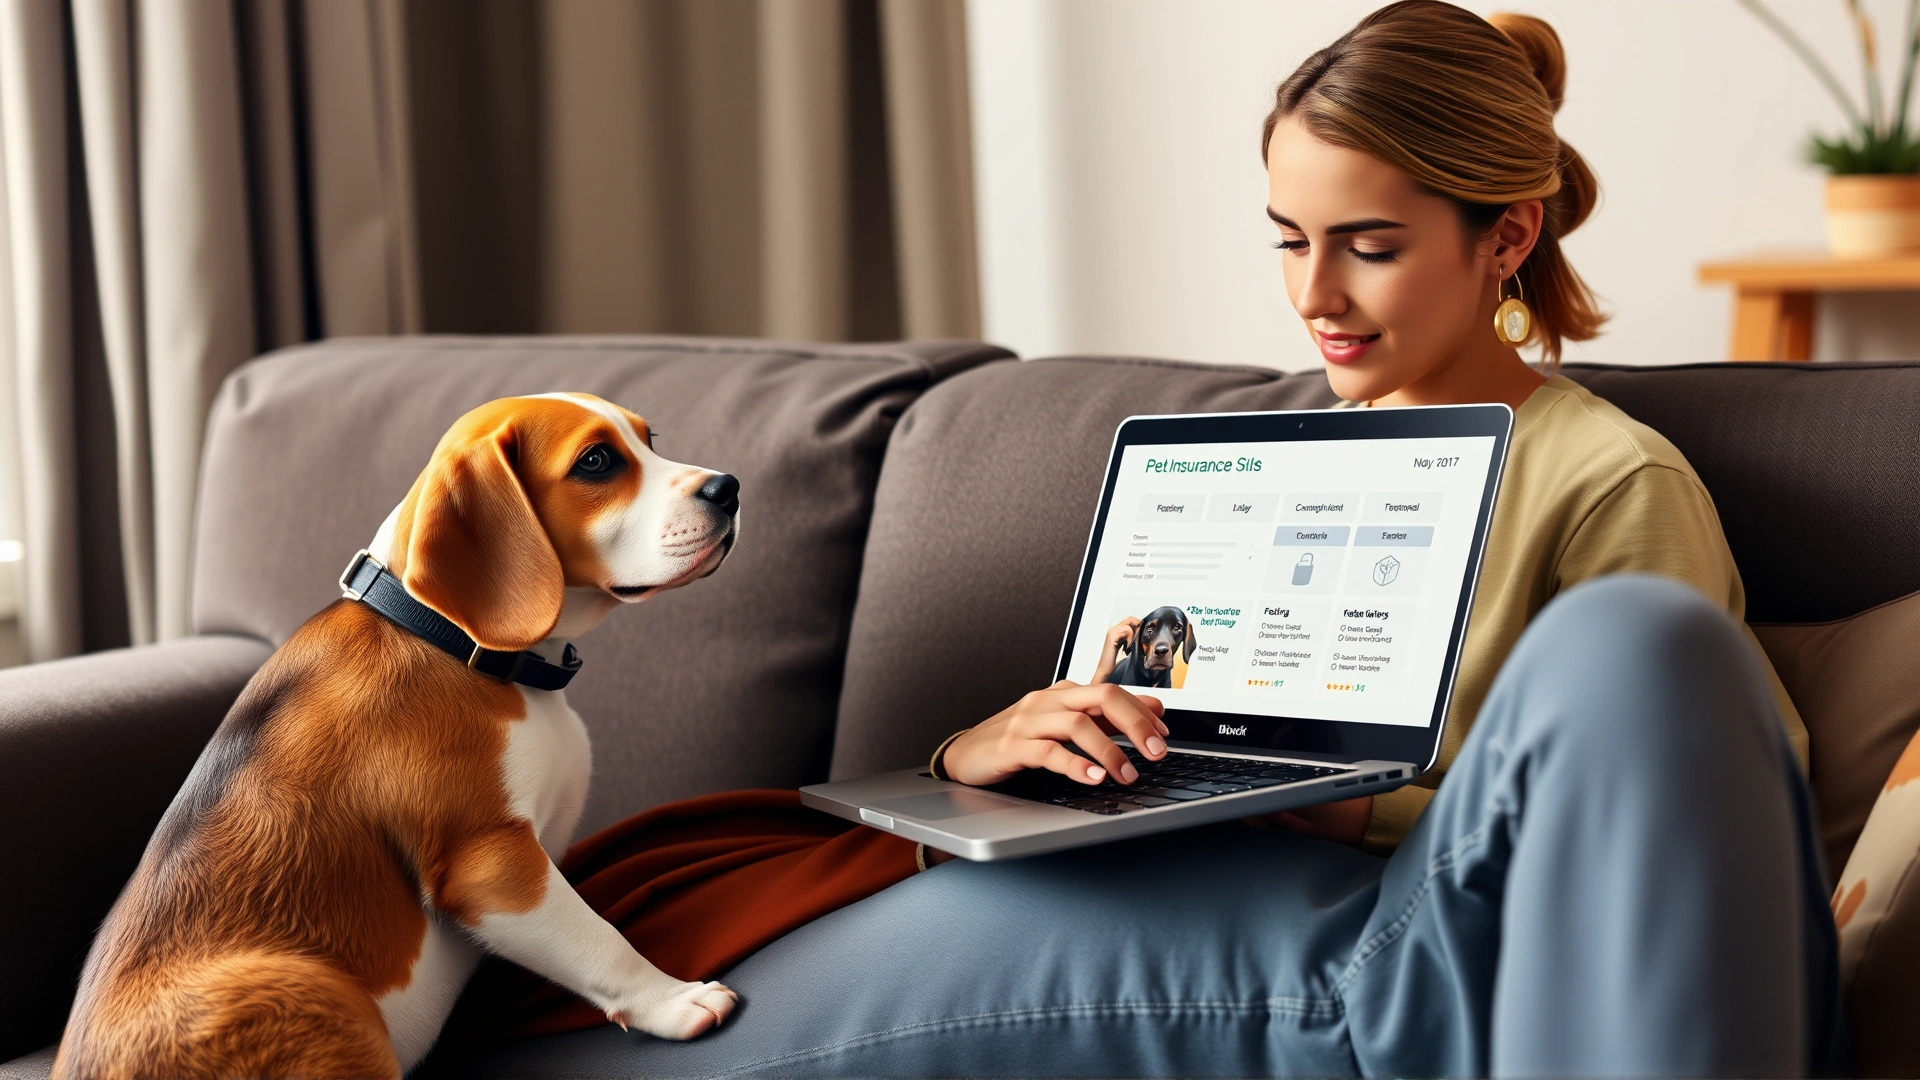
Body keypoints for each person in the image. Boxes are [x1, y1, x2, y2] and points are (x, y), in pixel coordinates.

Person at [449, 3, 1842, 1076]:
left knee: (1634, 642)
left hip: (1398, 921)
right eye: (1287, 238)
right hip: (1143, 867)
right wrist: (985, 756)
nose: (1317, 294)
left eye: (1368, 243)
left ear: (1504, 238)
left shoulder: (1605, 476)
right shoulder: (1270, 455)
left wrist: (1356, 806)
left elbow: (1683, 805)